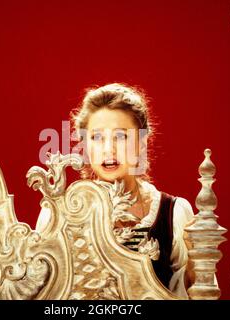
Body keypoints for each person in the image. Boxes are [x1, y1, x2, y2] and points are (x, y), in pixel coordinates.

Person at [36, 83, 195, 298]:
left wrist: (196, 268)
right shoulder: (57, 214)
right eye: (97, 137)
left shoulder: (172, 214)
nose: (108, 149)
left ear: (141, 142)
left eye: (120, 137)